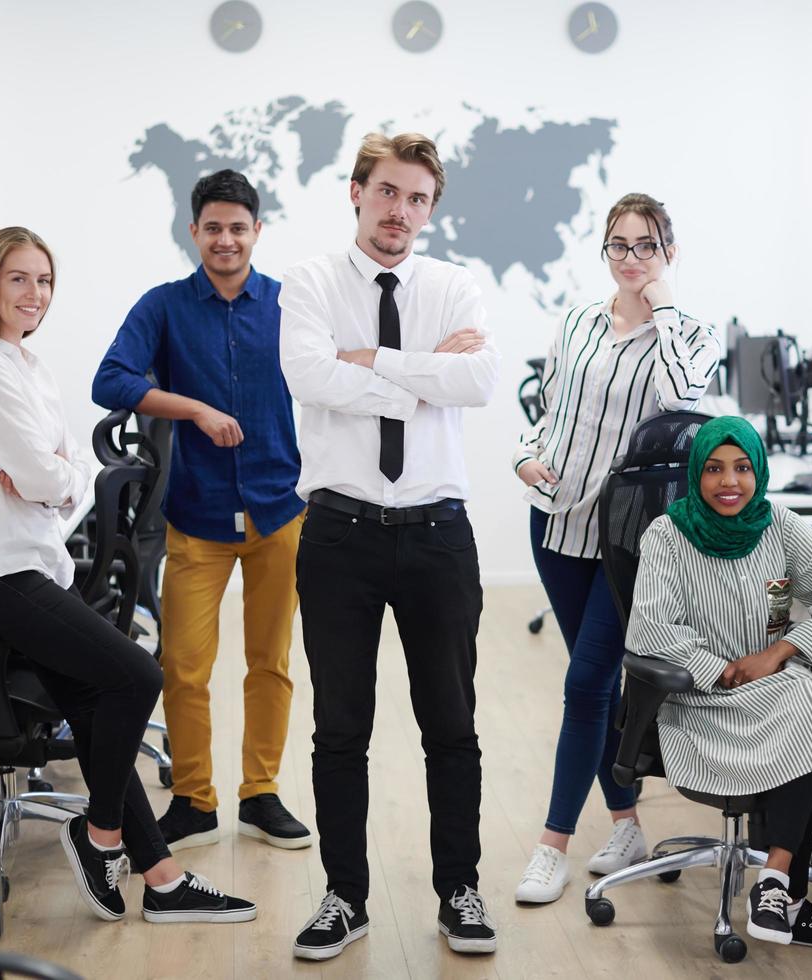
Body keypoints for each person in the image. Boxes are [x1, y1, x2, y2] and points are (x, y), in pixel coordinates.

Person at [0, 226, 255, 925]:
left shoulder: (30, 366)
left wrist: (53, 474)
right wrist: (52, 474)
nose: (34, 293)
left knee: (91, 699)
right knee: (137, 678)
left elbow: (71, 473)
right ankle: (99, 833)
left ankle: (163, 880)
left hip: (30, 562)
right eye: (18, 278)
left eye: (44, 281)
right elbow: (52, 474)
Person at [278, 132, 499, 961]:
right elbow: (307, 376)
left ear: (430, 208)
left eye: (417, 199)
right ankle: (345, 897)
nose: (400, 211)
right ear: (356, 193)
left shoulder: (454, 285)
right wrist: (417, 379)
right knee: (341, 728)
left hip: (438, 534)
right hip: (339, 534)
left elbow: (476, 382)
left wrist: (370, 363)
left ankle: (460, 891)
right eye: (387, 193)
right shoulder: (309, 281)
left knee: (452, 726)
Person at [511, 193, 721, 904]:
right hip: (552, 524)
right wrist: (522, 457)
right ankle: (626, 822)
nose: (630, 258)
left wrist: (661, 302)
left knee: (583, 685)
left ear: (669, 251)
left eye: (647, 245)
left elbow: (685, 392)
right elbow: (547, 410)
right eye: (619, 245)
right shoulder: (575, 322)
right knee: (592, 684)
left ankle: (552, 846)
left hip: (625, 543)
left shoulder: (692, 335)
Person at [92, 169, 309, 853]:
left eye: (237, 228)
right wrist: (191, 408)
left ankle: (261, 793)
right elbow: (111, 380)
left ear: (257, 232)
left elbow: (347, 368)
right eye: (212, 227)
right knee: (183, 666)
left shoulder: (290, 303)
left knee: (269, 662)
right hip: (198, 515)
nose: (225, 239)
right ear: (194, 232)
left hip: (281, 510)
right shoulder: (164, 307)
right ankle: (193, 799)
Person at [625, 416, 812, 950]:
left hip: (776, 692)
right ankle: (785, 899)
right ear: (696, 475)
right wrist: (723, 670)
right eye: (714, 469)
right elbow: (649, 630)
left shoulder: (778, 525)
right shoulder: (667, 536)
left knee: (807, 697)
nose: (729, 482)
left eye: (742, 468)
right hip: (700, 704)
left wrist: (780, 652)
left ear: (758, 472)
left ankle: (774, 886)